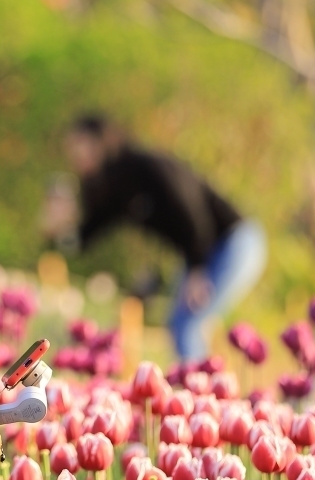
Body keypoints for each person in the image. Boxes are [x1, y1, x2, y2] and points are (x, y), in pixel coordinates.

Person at [43, 114, 267, 361]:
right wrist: (57, 231)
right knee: (180, 324)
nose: (75, 156)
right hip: (197, 254)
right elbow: (84, 239)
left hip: (232, 241)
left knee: (186, 323)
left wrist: (197, 268)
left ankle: (201, 391)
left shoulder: (145, 165)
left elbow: (191, 208)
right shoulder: (113, 192)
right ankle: (201, 384)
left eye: (80, 146)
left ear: (99, 142)